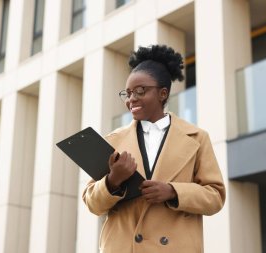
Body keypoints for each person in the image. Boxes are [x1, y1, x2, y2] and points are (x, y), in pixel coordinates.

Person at [83, 44, 225, 253]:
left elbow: (215, 197)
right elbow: (93, 204)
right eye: (128, 93)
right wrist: (113, 181)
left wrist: (173, 191)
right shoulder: (112, 141)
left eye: (140, 91)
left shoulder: (197, 138)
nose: (132, 99)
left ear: (163, 93)